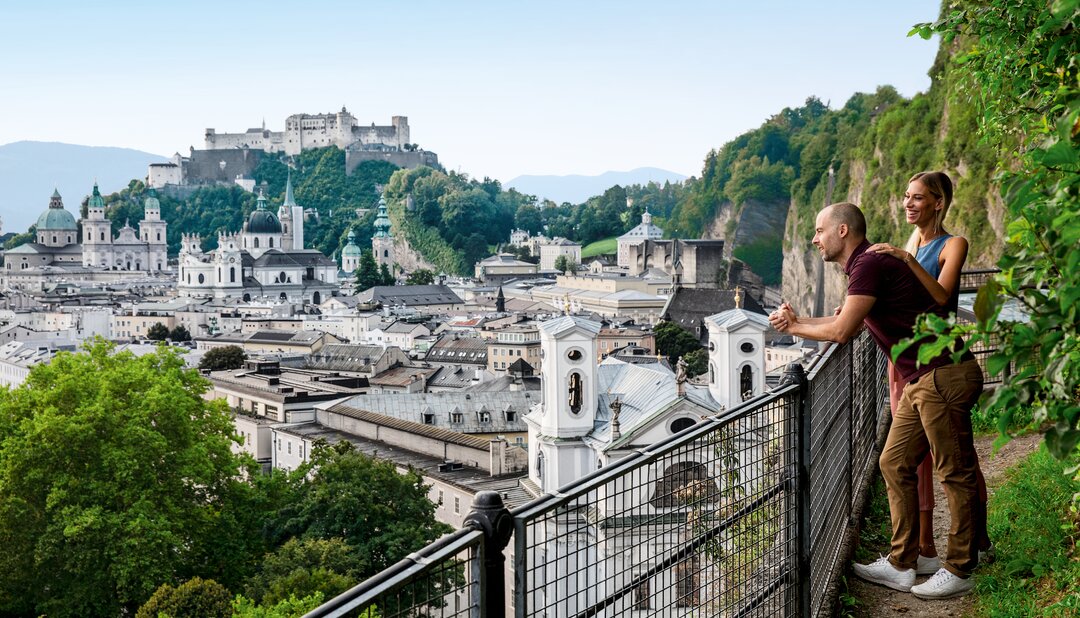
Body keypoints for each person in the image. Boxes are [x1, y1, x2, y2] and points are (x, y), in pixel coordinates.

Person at [769, 202, 983, 600]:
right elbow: (842, 320)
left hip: (942, 375)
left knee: (955, 471)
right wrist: (798, 323)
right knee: (893, 461)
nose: (814, 239)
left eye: (819, 231)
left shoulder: (867, 265)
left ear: (843, 231)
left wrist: (798, 325)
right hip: (923, 378)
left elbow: (841, 331)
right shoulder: (865, 267)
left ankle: (960, 567)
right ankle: (904, 563)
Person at [867, 171, 993, 573]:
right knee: (904, 461)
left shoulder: (952, 243)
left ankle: (972, 551)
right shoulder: (911, 241)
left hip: (943, 364)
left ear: (938, 202)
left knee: (956, 465)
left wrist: (905, 259)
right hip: (913, 368)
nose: (908, 203)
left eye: (918, 197)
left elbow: (940, 296)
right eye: (906, 196)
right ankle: (909, 557)